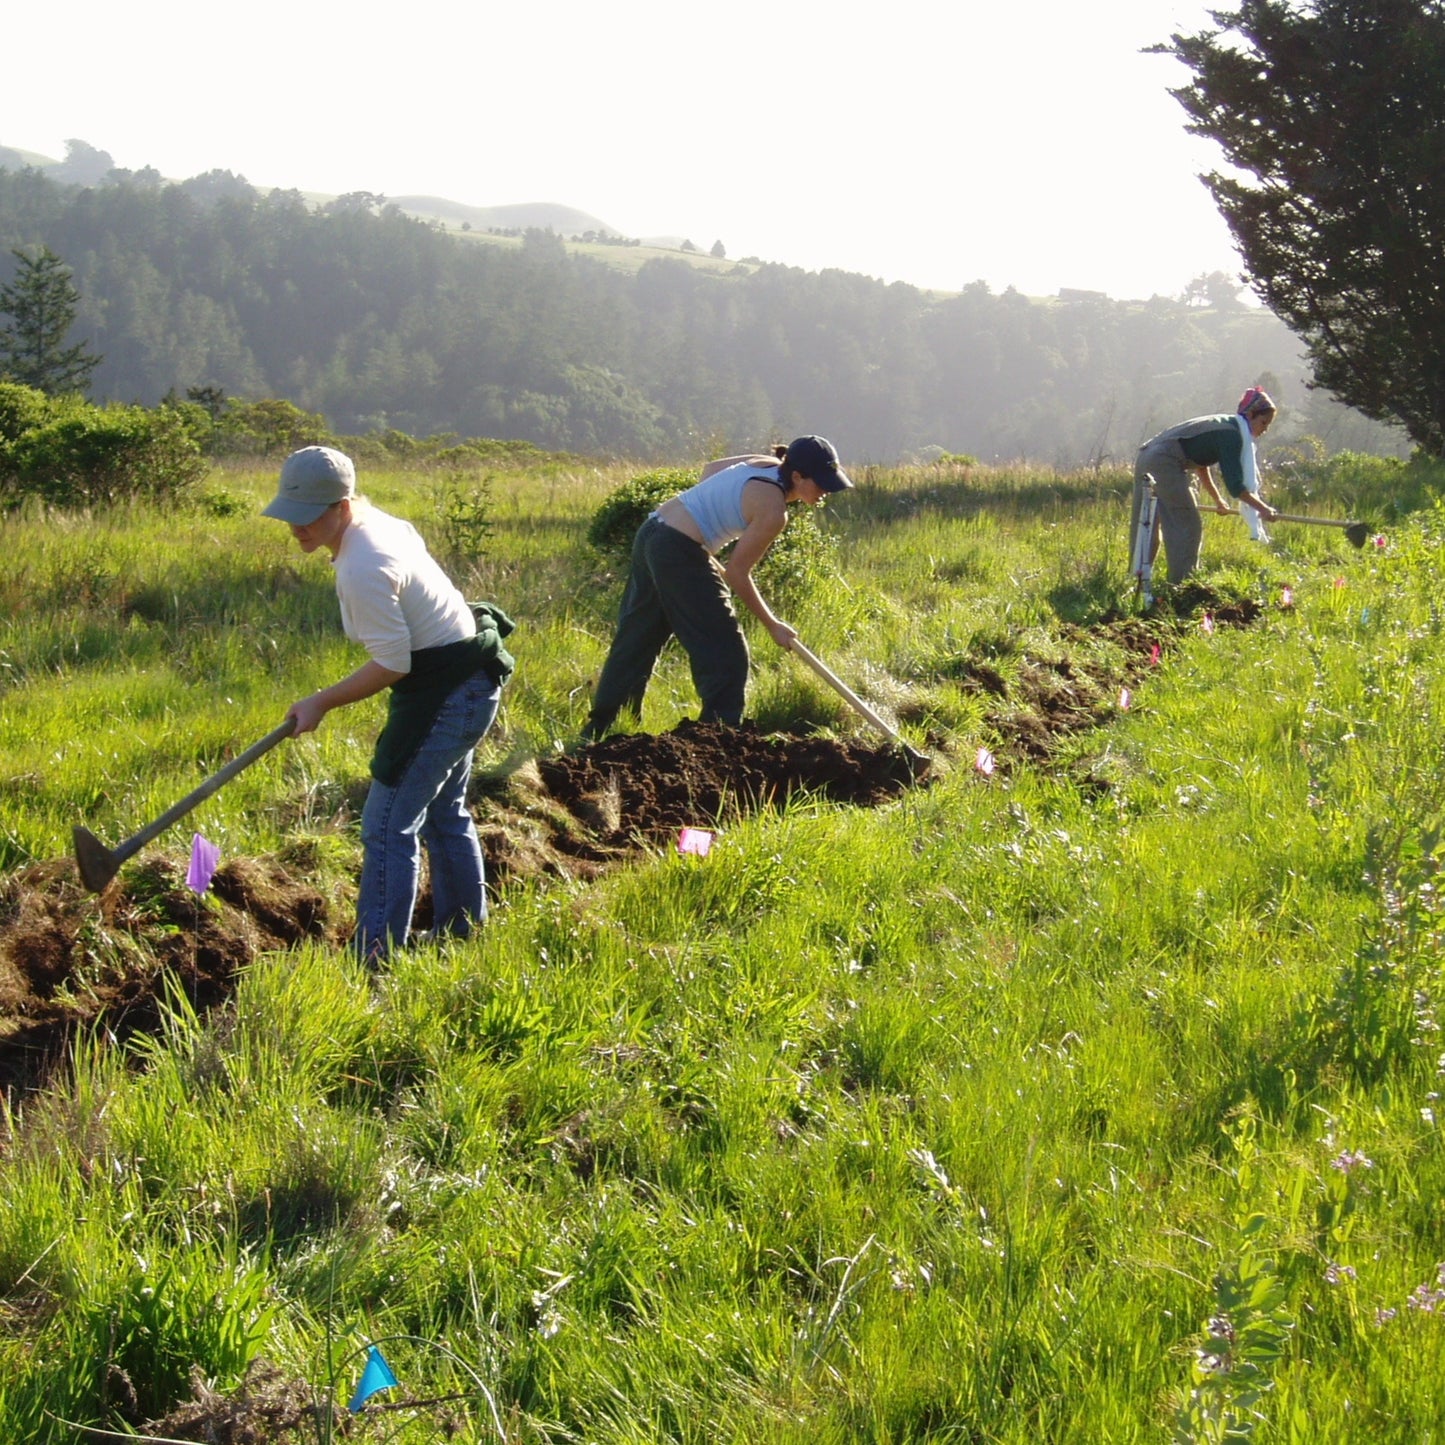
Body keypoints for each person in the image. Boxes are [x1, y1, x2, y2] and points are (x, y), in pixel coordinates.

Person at [262, 445, 515, 964]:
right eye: (292, 516)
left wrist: (320, 702)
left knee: (385, 825)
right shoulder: (381, 524)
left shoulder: (363, 565)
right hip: (467, 682)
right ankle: (461, 934)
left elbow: (393, 664)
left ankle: (373, 961)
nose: (298, 528)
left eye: (311, 517)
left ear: (343, 505)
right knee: (445, 812)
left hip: (448, 695)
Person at [584, 434, 853, 739]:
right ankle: (717, 740)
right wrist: (773, 625)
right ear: (797, 476)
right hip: (677, 549)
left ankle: (601, 732)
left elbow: (710, 470)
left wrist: (704, 521)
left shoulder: (763, 463)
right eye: (821, 483)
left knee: (637, 640)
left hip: (653, 531)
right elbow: (737, 573)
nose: (826, 492)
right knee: (726, 654)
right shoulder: (773, 511)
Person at [1130, 388, 1280, 584]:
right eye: (1263, 423)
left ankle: (1138, 580)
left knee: (1148, 521)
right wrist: (1263, 509)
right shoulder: (1232, 435)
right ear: (1250, 415)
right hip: (1164, 461)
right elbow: (1236, 486)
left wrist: (1218, 500)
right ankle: (1183, 583)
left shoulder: (1226, 426)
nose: (1264, 430)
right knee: (1186, 523)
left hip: (1147, 456)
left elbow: (1201, 466)